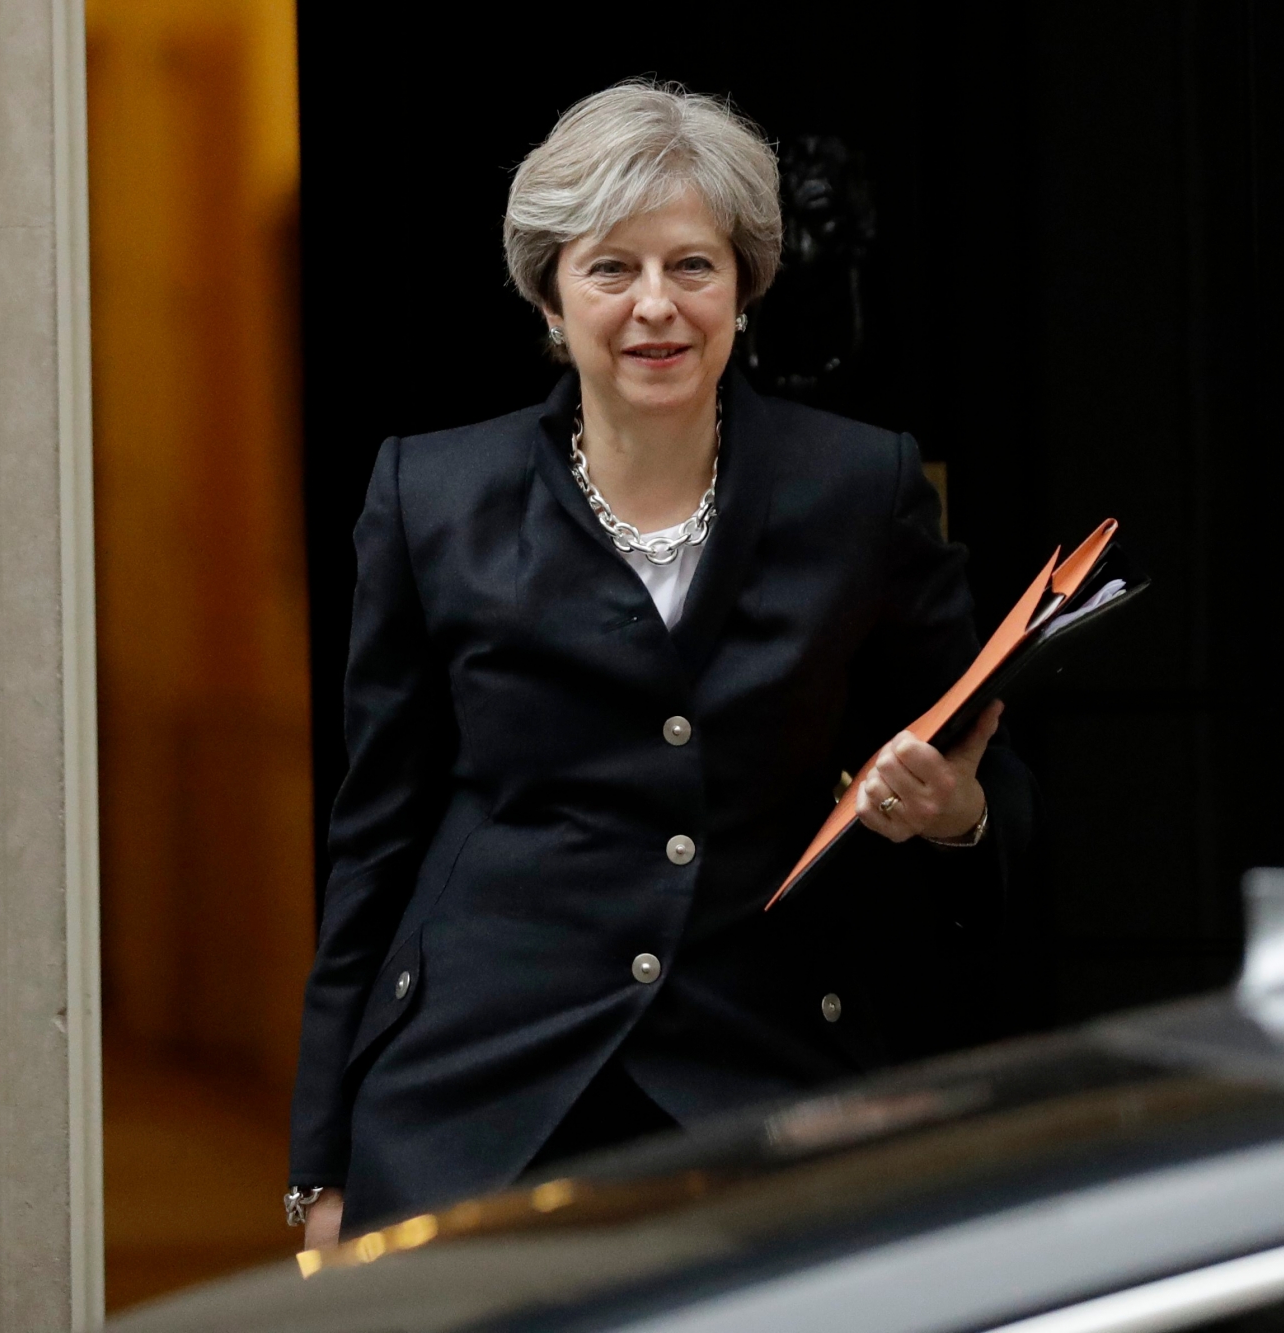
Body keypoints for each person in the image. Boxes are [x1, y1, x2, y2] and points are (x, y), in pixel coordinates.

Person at [286, 81, 1036, 1245]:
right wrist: (319, 1155)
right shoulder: (428, 496)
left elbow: (977, 759)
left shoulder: (858, 488)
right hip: (476, 1090)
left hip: (764, 1072)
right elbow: (375, 829)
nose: (656, 309)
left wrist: (957, 815)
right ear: (548, 294)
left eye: (692, 266)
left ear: (744, 287)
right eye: (610, 269)